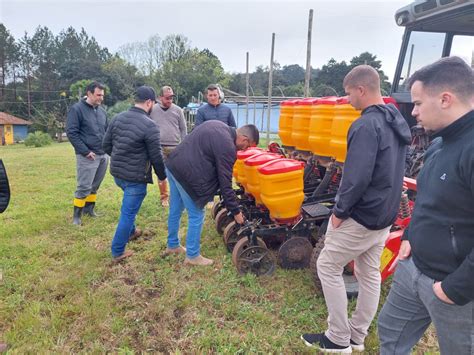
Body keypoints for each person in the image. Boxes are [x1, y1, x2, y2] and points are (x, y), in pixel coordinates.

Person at [301, 65, 411, 352]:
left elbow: (356, 177)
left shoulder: (365, 125)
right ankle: (357, 335)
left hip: (362, 214)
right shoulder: (396, 120)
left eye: (349, 93)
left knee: (327, 265)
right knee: (369, 271)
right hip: (385, 214)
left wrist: (339, 212)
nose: (348, 99)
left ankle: (337, 338)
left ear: (362, 90)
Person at [378, 57, 474, 354]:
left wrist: (455, 288)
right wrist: (408, 237)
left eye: (418, 103)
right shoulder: (439, 144)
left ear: (446, 99)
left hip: (453, 286)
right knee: (390, 333)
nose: (414, 111)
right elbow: (428, 200)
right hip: (413, 268)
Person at [164, 121, 259, 266]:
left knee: (175, 209)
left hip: (173, 165)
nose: (245, 150)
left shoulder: (217, 125)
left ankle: (172, 245)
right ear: (244, 139)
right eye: (248, 146)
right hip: (186, 173)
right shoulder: (228, 146)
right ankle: (192, 256)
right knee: (196, 214)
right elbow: (225, 184)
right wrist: (236, 213)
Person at [102, 86, 166, 262]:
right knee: (128, 213)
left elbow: (106, 145)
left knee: (129, 207)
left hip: (118, 175)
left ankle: (131, 232)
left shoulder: (117, 118)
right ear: (149, 102)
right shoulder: (150, 125)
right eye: (153, 103)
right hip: (135, 179)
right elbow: (156, 156)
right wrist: (162, 176)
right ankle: (117, 251)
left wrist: (120, 158)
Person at [66, 81, 109, 225]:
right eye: (98, 95)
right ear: (89, 93)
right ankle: (76, 216)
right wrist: (85, 151)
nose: (101, 98)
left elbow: (107, 131)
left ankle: (89, 210)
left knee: (95, 185)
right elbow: (72, 133)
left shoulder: (102, 111)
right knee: (84, 186)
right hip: (87, 156)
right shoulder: (77, 109)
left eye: (102, 95)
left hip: (103, 155)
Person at [150, 86, 187, 208]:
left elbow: (183, 129)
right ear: (160, 97)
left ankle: (177, 197)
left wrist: (183, 145)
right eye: (167, 98)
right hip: (158, 146)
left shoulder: (178, 110)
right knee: (161, 173)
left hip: (175, 146)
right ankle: (164, 197)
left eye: (172, 97)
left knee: (177, 173)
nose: (170, 100)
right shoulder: (153, 109)